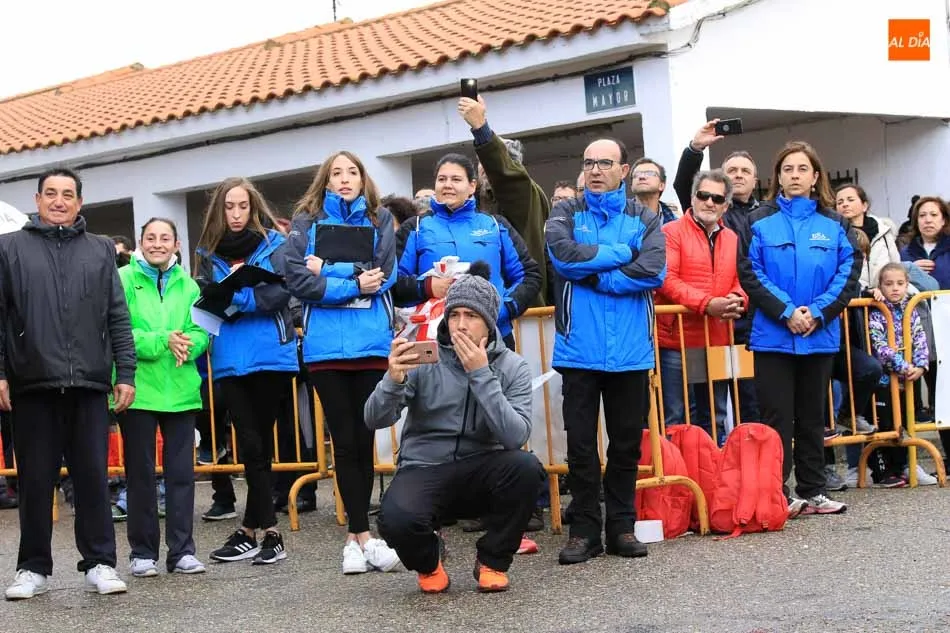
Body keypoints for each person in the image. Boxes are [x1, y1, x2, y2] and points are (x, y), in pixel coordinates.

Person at [366, 261, 545, 593]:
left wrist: (481, 374)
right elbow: (374, 419)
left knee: (526, 468)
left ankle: (492, 560)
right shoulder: (425, 358)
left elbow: (515, 436)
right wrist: (392, 380)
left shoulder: (512, 367)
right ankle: (429, 562)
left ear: (488, 322)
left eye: (471, 315)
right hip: (425, 467)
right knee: (394, 519)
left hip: (482, 468)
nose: (461, 324)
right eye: (454, 315)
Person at [1, 168, 135, 600]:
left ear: (79, 202)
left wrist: (126, 373)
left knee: (93, 479)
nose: (59, 201)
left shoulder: (100, 250)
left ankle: (100, 562)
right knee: (35, 482)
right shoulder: (8, 248)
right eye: (51, 193)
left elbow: (117, 315)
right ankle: (32, 568)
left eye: (67, 194)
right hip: (32, 383)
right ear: (37, 200)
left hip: (89, 385)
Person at [545, 138, 666, 565]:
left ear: (623, 170)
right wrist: (620, 254)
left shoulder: (645, 217)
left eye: (604, 162)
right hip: (578, 349)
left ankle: (621, 527)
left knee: (626, 446)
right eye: (589, 162)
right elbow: (563, 258)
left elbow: (653, 270)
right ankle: (583, 531)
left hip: (631, 351)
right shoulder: (564, 212)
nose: (595, 170)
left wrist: (599, 277)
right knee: (580, 447)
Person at [280, 151, 401, 575]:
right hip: (325, 350)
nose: (345, 178)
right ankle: (361, 535)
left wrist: (328, 268)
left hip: (370, 345)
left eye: (352, 172)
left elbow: (384, 273)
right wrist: (351, 282)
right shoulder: (305, 222)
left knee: (363, 440)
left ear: (363, 179)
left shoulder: (380, 218)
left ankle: (357, 537)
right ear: (326, 180)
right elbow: (298, 279)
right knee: (344, 441)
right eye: (337, 173)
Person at [738, 141, 861, 518]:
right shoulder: (757, 221)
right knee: (776, 418)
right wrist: (787, 311)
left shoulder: (836, 224)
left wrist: (817, 312)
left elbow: (848, 273)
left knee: (812, 417)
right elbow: (750, 272)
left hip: (818, 336)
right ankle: (776, 492)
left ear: (815, 176)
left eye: (802, 169)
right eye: (787, 169)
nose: (794, 175)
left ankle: (813, 490)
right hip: (773, 337)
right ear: (778, 177)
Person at [194, 177, 299, 566]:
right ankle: (261, 531)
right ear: (219, 210)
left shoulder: (276, 244)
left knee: (257, 446)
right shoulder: (207, 251)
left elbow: (281, 293)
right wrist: (231, 298)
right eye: (229, 207)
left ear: (253, 207)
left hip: (271, 354)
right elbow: (207, 297)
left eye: (242, 206)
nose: (236, 214)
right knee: (252, 445)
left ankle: (258, 532)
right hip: (229, 357)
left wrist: (237, 296)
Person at [118, 217, 209, 577]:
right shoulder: (123, 279)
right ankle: (142, 553)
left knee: (182, 476)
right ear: (140, 242)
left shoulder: (189, 285)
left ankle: (182, 551)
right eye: (151, 238)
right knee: (140, 476)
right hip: (138, 390)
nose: (158, 243)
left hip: (181, 389)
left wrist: (189, 344)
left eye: (165, 238)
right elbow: (119, 330)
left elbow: (201, 329)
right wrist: (162, 340)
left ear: (176, 245)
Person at [393, 153, 541, 349]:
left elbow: (529, 276)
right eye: (442, 179)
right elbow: (393, 282)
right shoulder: (415, 228)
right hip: (433, 338)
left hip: (493, 336)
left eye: (456, 179)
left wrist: (500, 310)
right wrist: (427, 286)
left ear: (472, 186)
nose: (447, 185)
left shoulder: (496, 225)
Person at [672, 120, 761, 423]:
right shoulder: (700, 216)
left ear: (755, 180)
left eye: (745, 170)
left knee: (745, 405)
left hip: (745, 327)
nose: (739, 174)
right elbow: (686, 184)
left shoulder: (765, 214)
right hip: (702, 330)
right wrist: (695, 149)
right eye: (732, 169)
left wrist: (739, 297)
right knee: (701, 411)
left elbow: (749, 272)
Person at [655, 170, 746, 443]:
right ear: (693, 198)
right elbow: (666, 280)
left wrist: (738, 299)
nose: (709, 202)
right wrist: (707, 304)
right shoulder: (670, 232)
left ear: (725, 206)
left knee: (715, 417)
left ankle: (712, 468)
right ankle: (679, 470)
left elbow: (742, 280)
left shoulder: (732, 238)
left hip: (716, 339)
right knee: (675, 419)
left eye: (717, 198)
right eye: (703, 195)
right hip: (676, 342)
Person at [459, 95, 549, 304]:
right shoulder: (477, 198)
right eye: (480, 161)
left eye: (488, 162)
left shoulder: (524, 192)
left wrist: (481, 129)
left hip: (517, 303)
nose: (482, 167)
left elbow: (505, 176)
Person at [867, 263, 930, 485]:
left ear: (907, 285)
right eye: (889, 284)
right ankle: (885, 471)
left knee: (904, 421)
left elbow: (920, 337)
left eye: (900, 283)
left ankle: (905, 465)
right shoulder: (876, 311)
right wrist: (902, 365)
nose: (895, 288)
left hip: (907, 378)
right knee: (885, 423)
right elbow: (879, 345)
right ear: (880, 286)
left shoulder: (911, 308)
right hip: (884, 379)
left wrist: (920, 365)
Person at [899, 196, 950, 457]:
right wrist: (911, 270)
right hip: (922, 332)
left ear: (944, 219)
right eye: (922, 215)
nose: (927, 220)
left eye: (933, 215)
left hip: (947, 325)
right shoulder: (906, 252)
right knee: (938, 393)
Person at [630, 158, 677, 224]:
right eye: (636, 174)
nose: (642, 177)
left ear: (661, 185)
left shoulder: (675, 222)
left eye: (650, 173)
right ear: (631, 186)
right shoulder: (619, 216)